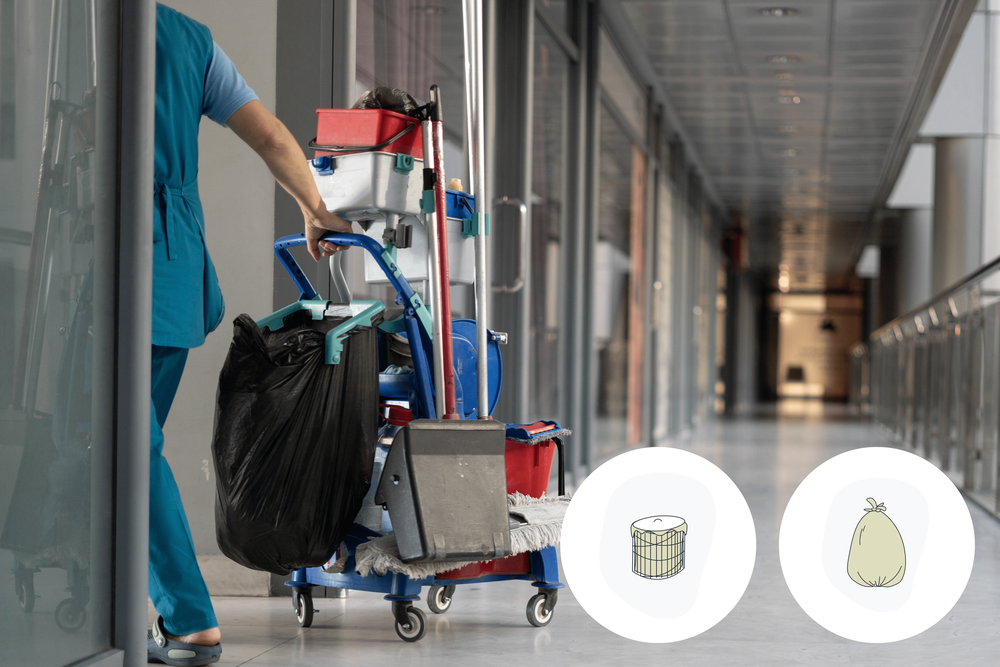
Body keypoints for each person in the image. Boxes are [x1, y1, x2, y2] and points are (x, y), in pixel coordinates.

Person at [147, 5, 349, 665]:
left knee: (122, 443)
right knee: (123, 441)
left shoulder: (82, 29)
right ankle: (145, 604)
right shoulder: (190, 41)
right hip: (172, 268)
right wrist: (314, 208)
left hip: (117, 268)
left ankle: (188, 617)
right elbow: (268, 135)